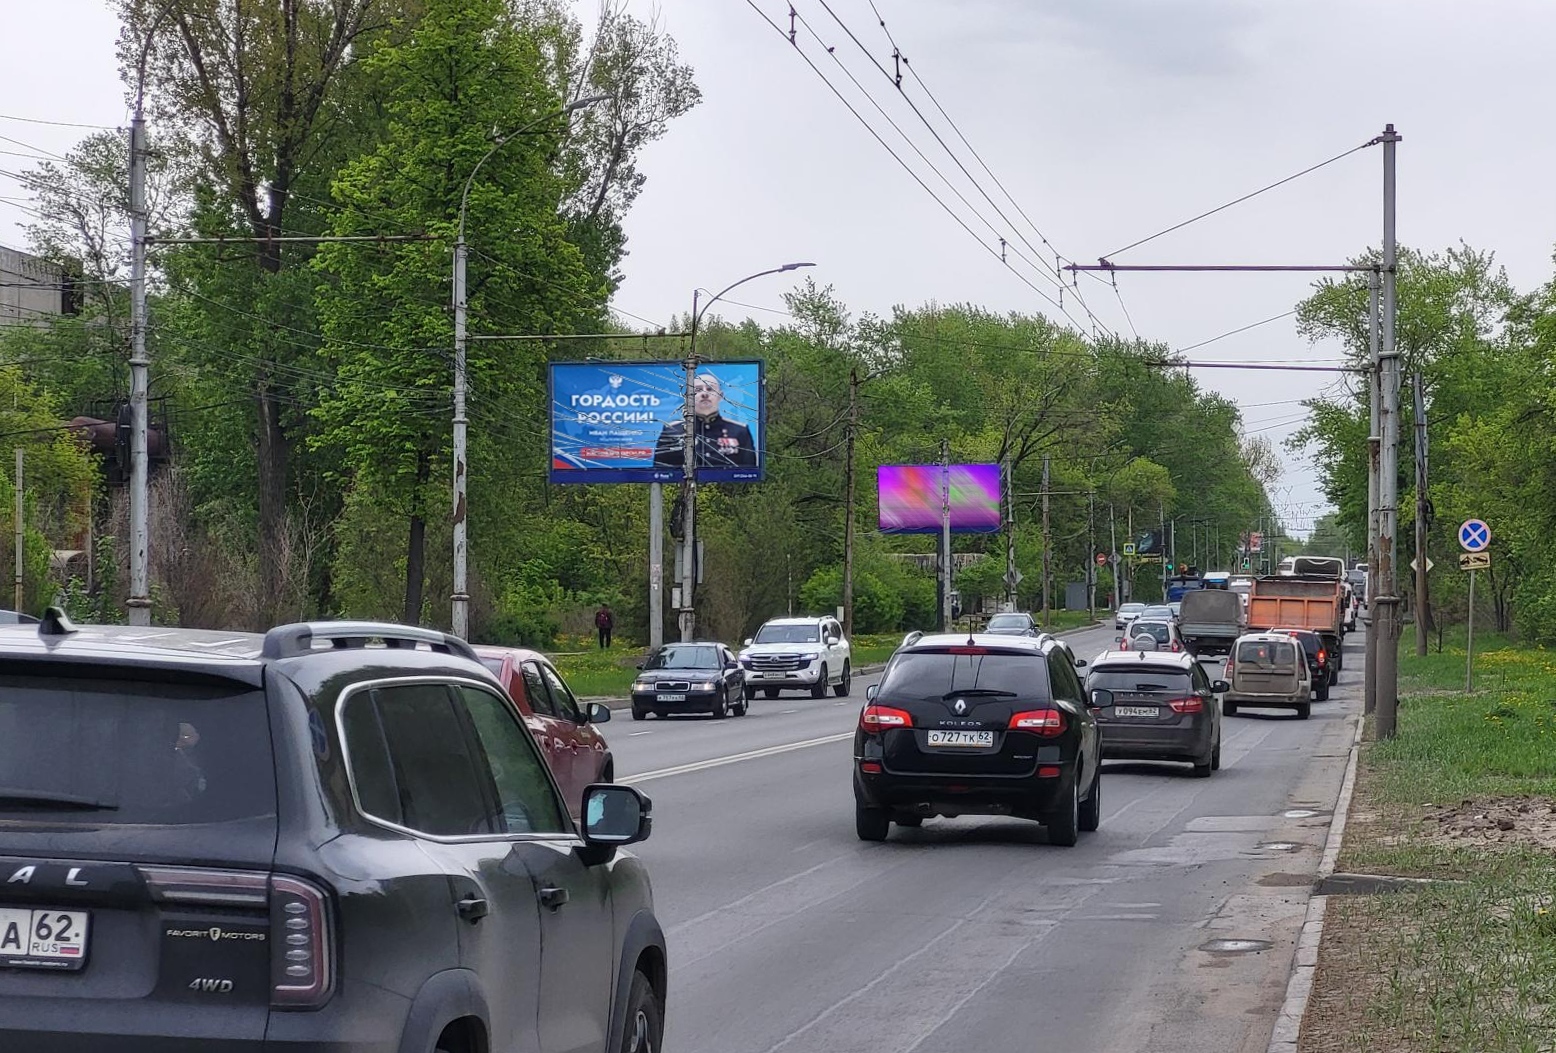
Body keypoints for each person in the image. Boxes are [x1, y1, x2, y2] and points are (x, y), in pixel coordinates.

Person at [652, 372, 758, 471]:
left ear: (720, 396)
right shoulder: (672, 431)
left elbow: (749, 474)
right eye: (697, 390)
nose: (704, 394)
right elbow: (659, 473)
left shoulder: (739, 431)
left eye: (710, 389)